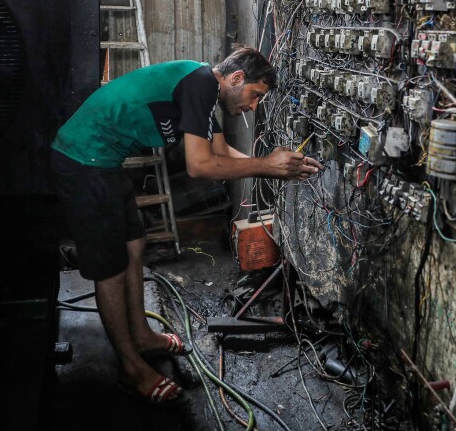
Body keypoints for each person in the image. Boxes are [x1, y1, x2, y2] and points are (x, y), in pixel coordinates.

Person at [50, 47, 321, 406]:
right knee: (109, 269)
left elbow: (223, 155)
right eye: (256, 96)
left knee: (133, 245)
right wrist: (268, 167)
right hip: (82, 160)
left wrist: (275, 165)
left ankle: (143, 336)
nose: (254, 107)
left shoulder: (205, 90)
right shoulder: (200, 84)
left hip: (104, 162)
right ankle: (131, 367)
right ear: (236, 79)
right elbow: (200, 166)